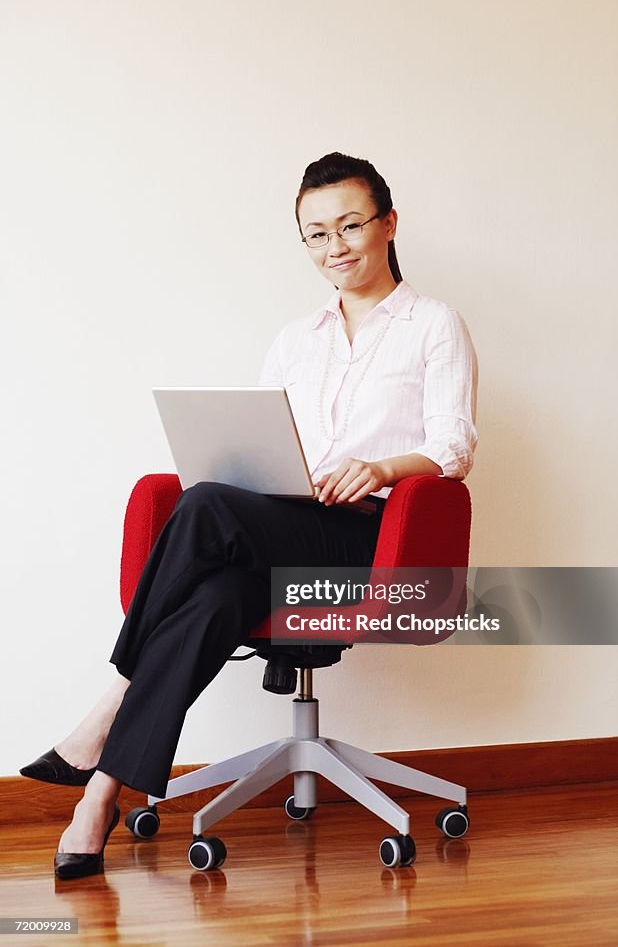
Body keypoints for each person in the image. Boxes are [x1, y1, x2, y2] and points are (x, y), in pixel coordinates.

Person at [21, 151, 478, 879]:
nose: (335, 247)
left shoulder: (432, 324)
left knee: (203, 507)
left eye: (351, 225)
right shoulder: (295, 339)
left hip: (374, 538)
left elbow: (453, 445)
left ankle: (111, 702)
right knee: (214, 595)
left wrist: (384, 466)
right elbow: (263, 438)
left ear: (388, 224)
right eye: (316, 234)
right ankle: (103, 791)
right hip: (283, 527)